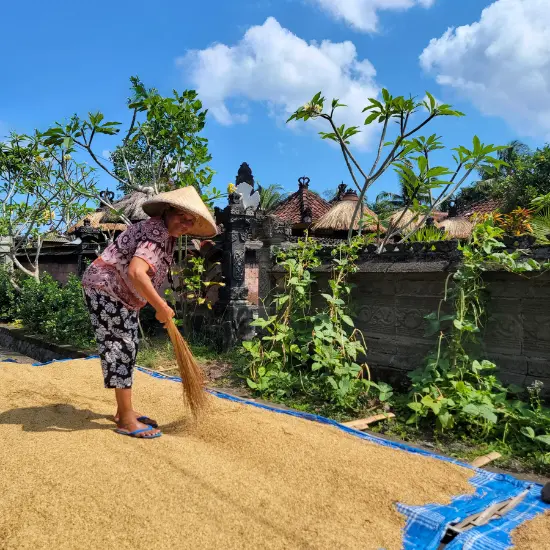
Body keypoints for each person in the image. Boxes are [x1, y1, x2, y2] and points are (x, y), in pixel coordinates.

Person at [82, 186, 217, 439]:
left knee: (128, 344)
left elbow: (141, 276)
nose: (185, 224)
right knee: (121, 346)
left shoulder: (166, 234)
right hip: (107, 287)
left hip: (121, 293)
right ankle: (125, 419)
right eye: (181, 216)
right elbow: (136, 272)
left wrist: (155, 306)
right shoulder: (157, 231)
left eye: (191, 221)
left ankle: (124, 411)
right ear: (167, 210)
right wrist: (161, 307)